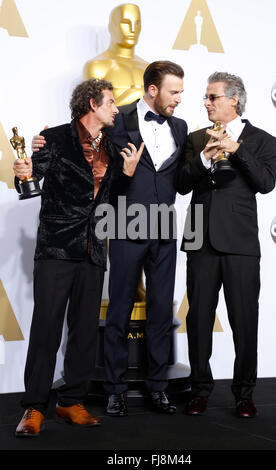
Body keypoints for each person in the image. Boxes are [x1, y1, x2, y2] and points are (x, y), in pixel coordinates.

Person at [32, 60, 187, 417]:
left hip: (163, 226)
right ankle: (115, 389)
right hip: (123, 227)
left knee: (161, 310)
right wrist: (42, 144)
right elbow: (86, 147)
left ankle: (158, 388)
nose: (180, 98)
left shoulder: (180, 127)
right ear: (153, 89)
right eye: (174, 91)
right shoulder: (119, 121)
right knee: (117, 309)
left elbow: (178, 178)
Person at [13, 78, 143, 437]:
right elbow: (31, 180)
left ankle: (71, 400)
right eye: (111, 102)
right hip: (56, 248)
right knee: (46, 329)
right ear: (91, 104)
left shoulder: (115, 147)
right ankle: (34, 407)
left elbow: (111, 198)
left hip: (93, 249)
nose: (116, 108)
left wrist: (127, 176)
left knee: (85, 331)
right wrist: (24, 174)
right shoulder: (53, 138)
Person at [174, 72, 276, 418]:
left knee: (245, 321)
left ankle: (244, 393)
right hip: (200, 241)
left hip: (240, 244)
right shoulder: (194, 138)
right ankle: (199, 390)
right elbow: (181, 184)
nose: (206, 102)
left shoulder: (262, 140)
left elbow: (265, 184)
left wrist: (237, 150)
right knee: (198, 320)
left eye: (212, 97)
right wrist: (203, 158)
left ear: (234, 100)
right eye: (205, 97)